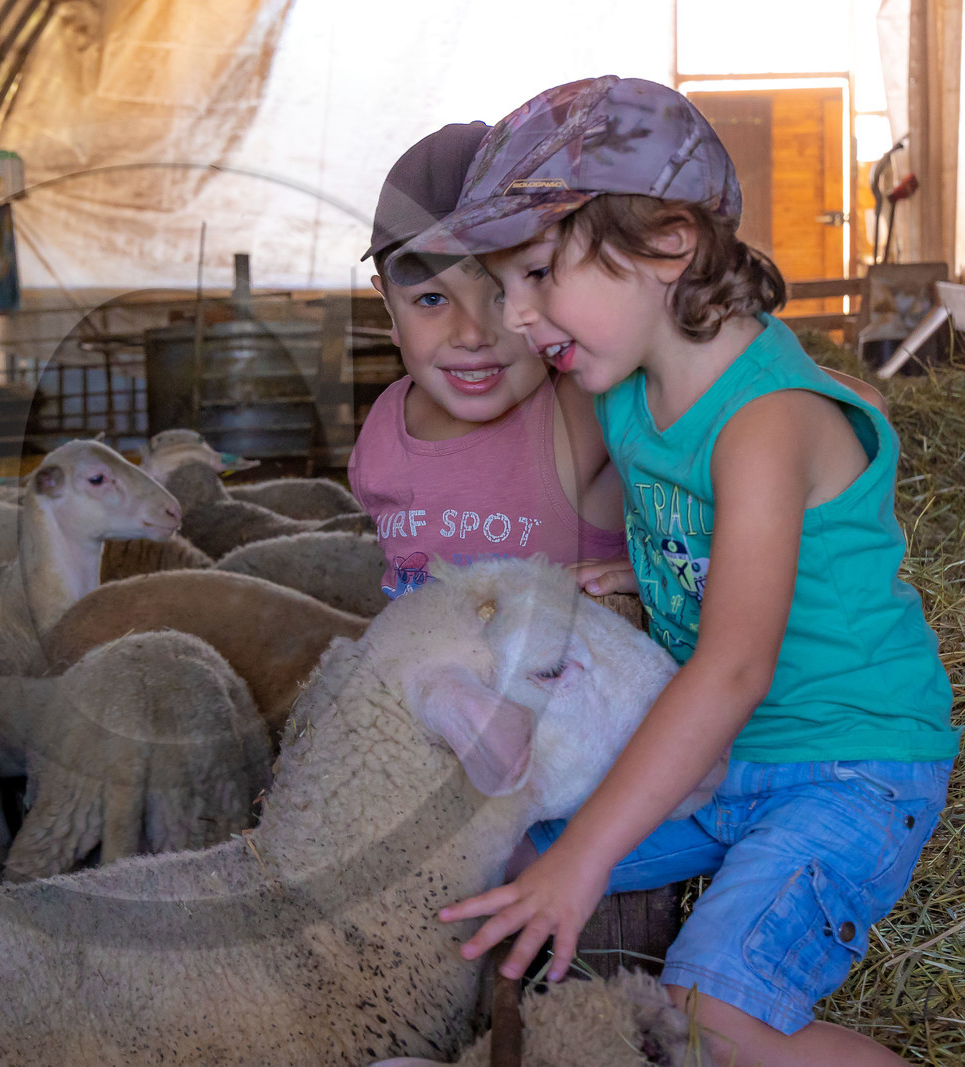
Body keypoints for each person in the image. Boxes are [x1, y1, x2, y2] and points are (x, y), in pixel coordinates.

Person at [392, 76, 958, 1067]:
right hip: (725, 755)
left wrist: (583, 857)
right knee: (500, 865)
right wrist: (642, 581)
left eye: (532, 274)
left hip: (845, 761)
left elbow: (734, 668)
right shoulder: (627, 390)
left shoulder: (762, 422)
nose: (515, 317)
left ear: (665, 244)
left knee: (708, 1017)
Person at [348, 122, 629, 600]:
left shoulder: (589, 405)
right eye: (432, 300)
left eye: (503, 294)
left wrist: (661, 575)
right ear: (389, 308)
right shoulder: (381, 433)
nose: (473, 334)